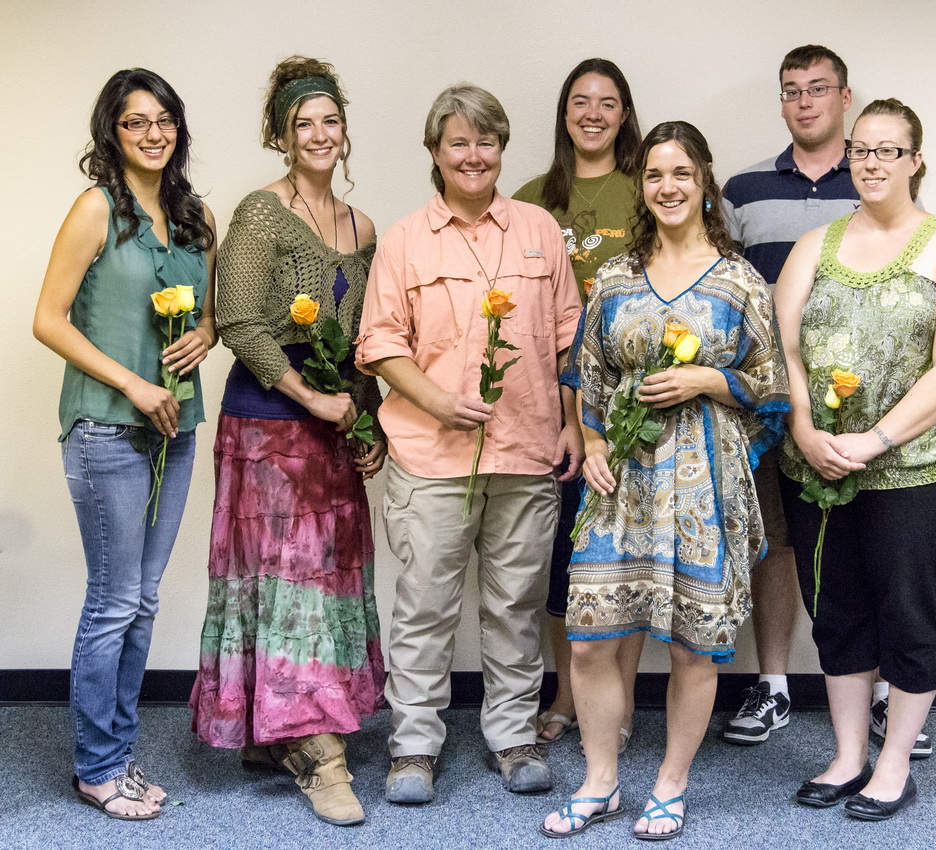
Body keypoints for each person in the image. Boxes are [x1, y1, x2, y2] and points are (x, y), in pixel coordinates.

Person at [541, 121, 789, 840]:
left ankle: (670, 786)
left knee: (689, 643)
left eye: (681, 173)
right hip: (620, 476)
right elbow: (584, 376)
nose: (668, 186)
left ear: (704, 180)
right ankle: (599, 783)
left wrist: (713, 378)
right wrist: (589, 439)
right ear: (642, 187)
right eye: (655, 175)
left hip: (703, 483)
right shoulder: (615, 279)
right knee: (589, 638)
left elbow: (770, 386)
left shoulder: (740, 282)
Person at [356, 83, 581, 805]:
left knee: (515, 606)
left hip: (526, 452)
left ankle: (512, 737)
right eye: (458, 142)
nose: (473, 154)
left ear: (501, 150)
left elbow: (569, 339)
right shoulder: (403, 240)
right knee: (424, 607)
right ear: (434, 154)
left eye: (485, 141)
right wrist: (435, 401)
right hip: (430, 457)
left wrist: (574, 424)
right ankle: (413, 747)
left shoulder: (540, 231)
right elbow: (380, 343)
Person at [189, 56, 387, 828]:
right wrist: (311, 399)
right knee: (284, 585)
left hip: (335, 421)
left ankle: (277, 731)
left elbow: (365, 339)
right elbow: (237, 321)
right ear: (281, 135)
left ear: (344, 130)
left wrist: (361, 421)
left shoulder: (362, 228)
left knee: (323, 582)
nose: (318, 134)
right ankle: (319, 752)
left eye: (329, 120)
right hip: (269, 422)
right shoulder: (259, 213)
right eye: (303, 123)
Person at [775, 98, 936, 820]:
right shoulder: (814, 246)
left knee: (907, 615)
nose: (870, 163)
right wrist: (803, 428)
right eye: (860, 150)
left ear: (914, 160)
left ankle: (893, 761)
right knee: (836, 614)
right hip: (818, 472)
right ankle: (845, 755)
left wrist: (875, 440)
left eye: (886, 151)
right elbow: (787, 353)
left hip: (918, 473)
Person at [33, 68, 217, 821]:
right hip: (108, 424)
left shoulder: (195, 214)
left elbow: (208, 317)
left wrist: (206, 334)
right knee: (112, 601)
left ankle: (118, 753)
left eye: (164, 118)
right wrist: (134, 385)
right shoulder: (95, 208)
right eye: (136, 121)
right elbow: (49, 318)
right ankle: (98, 768)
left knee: (141, 601)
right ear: (112, 130)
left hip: (177, 426)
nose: (153, 133)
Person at [719, 44, 861, 748]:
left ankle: (886, 693)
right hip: (767, 404)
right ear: (781, 103)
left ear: (844, 97)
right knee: (773, 544)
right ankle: (771, 687)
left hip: (854, 405)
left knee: (861, 543)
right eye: (791, 90)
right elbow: (721, 297)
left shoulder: (873, 182)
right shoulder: (741, 191)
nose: (804, 101)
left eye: (817, 88)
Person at [512, 57, 646, 752]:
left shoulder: (647, 187)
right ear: (564, 114)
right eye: (579, 102)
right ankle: (566, 693)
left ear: (624, 114)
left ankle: (614, 704)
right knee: (563, 558)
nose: (592, 113)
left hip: (637, 407)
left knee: (621, 558)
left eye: (607, 102)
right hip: (554, 408)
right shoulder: (533, 198)